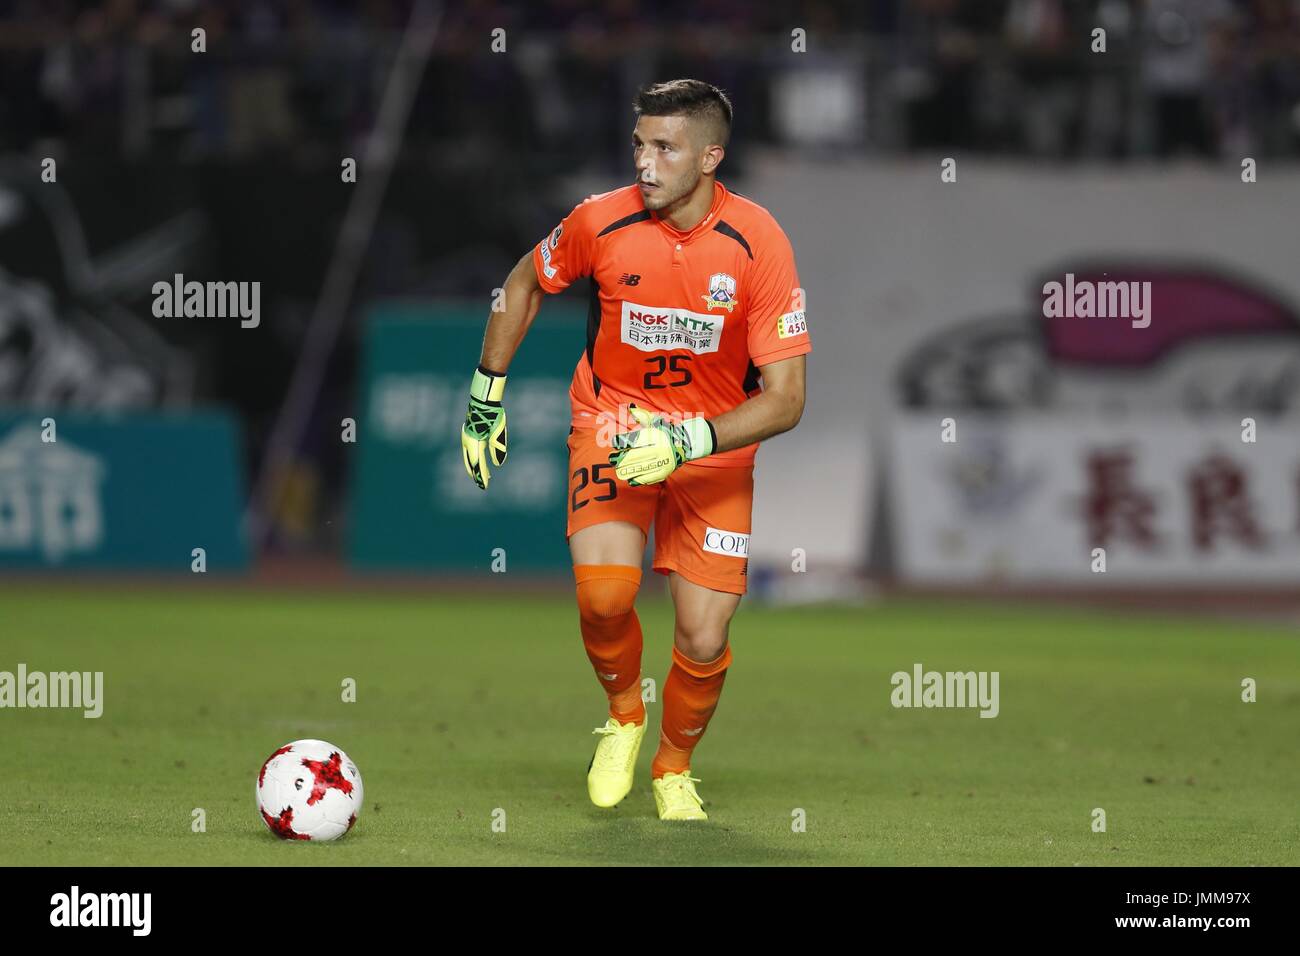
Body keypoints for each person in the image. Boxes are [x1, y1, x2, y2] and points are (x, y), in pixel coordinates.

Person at [461, 78, 811, 821]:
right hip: (613, 425)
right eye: (638, 145)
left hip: (712, 449)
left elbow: (786, 399)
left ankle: (674, 769)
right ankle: (624, 714)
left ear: (711, 156)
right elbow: (522, 283)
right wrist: (486, 391)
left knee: (704, 635)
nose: (644, 164)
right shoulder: (599, 220)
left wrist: (690, 438)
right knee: (605, 595)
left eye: (665, 148)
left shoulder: (760, 243)